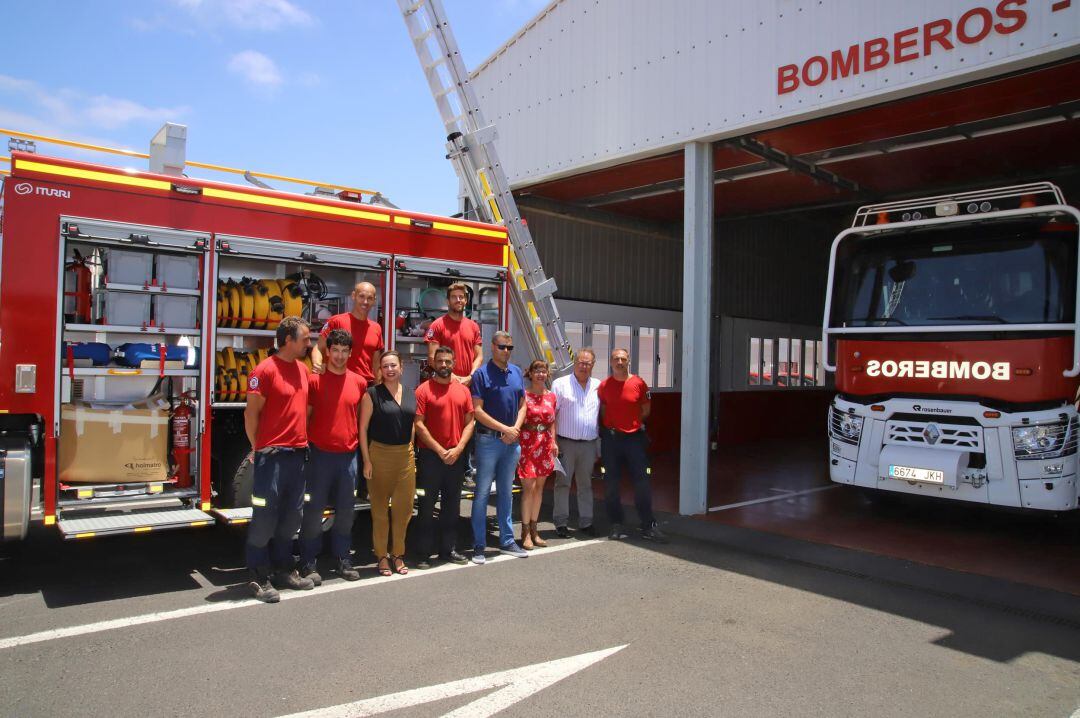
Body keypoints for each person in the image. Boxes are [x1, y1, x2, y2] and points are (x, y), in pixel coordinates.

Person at [243, 316, 314, 603]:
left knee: (291, 517)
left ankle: (284, 569)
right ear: (288, 340)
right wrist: (258, 446)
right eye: (305, 339)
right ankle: (258, 576)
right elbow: (251, 415)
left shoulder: (302, 370)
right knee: (264, 518)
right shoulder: (265, 370)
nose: (309, 343)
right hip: (271, 458)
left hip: (297, 457)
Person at [298, 328, 366, 586]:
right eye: (334, 350)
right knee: (314, 511)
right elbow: (306, 416)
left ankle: (342, 559)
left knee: (346, 512)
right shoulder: (314, 381)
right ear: (327, 351)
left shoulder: (359, 382)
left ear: (350, 353)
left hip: (348, 456)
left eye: (343, 351)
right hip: (320, 455)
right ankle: (308, 562)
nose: (338, 356)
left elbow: (358, 418)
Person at [412, 346, 475, 569]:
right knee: (426, 507)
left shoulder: (463, 392)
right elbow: (419, 425)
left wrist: (458, 449)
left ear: (454, 363)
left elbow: (470, 423)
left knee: (452, 507)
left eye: (448, 361)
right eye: (440, 361)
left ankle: (449, 549)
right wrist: (440, 450)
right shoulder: (423, 390)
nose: (444, 365)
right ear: (434, 363)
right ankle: (422, 554)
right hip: (430, 457)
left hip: (455, 457)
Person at [598, 347, 668, 543]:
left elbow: (645, 409)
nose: (619, 362)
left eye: (623, 359)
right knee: (611, 484)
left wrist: (631, 425)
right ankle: (616, 524)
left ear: (628, 361)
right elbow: (604, 411)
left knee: (642, 483)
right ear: (611, 362)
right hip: (611, 441)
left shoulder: (639, 383)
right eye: (616, 359)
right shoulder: (604, 386)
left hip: (634, 440)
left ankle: (648, 525)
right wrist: (614, 427)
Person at [470, 331, 528, 563]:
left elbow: (523, 404)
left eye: (509, 348)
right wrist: (505, 429)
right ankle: (479, 545)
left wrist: (514, 429)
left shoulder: (515, 372)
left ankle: (507, 541)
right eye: (502, 347)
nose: (506, 351)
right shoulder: (481, 374)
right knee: (482, 493)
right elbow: (477, 410)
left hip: (511, 442)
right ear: (492, 347)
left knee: (506, 492)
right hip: (488, 442)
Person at [359, 350, 417, 576]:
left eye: (394, 365)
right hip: (379, 455)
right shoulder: (372, 394)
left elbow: (411, 424)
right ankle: (382, 556)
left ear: (401, 367)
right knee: (380, 511)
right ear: (380, 370)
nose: (390, 369)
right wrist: (366, 460)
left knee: (403, 511)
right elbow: (362, 429)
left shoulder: (411, 393)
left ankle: (398, 555)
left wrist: (411, 449)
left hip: (405, 457)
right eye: (386, 366)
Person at [551, 347, 601, 537]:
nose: (583, 366)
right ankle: (561, 522)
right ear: (575, 363)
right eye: (580, 362)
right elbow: (552, 416)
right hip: (565, 443)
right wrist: (553, 442)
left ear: (593, 365)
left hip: (589, 444)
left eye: (588, 363)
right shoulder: (560, 384)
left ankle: (586, 522)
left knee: (585, 484)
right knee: (562, 483)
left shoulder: (598, 386)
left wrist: (598, 446)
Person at [517, 360, 557, 550]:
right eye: (537, 371)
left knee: (539, 488)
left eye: (544, 371)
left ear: (547, 374)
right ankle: (525, 532)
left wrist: (554, 442)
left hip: (545, 443)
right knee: (529, 488)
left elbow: (552, 421)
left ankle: (534, 529)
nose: (541, 374)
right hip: (527, 443)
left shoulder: (552, 397)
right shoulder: (524, 395)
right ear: (530, 374)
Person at [312, 281, 384, 384]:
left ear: (374, 301)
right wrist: (317, 364)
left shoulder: (376, 328)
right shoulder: (336, 321)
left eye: (370, 298)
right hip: (339, 383)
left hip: (367, 387)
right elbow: (319, 347)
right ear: (353, 296)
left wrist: (379, 388)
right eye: (361, 296)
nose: (365, 302)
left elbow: (376, 364)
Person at [425, 282, 483, 386]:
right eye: (454, 297)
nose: (458, 300)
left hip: (468, 384)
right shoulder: (437, 325)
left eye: (461, 297)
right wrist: (452, 377)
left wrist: (471, 377)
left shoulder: (473, 326)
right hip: (445, 384)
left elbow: (479, 356)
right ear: (447, 301)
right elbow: (431, 358)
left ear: (465, 301)